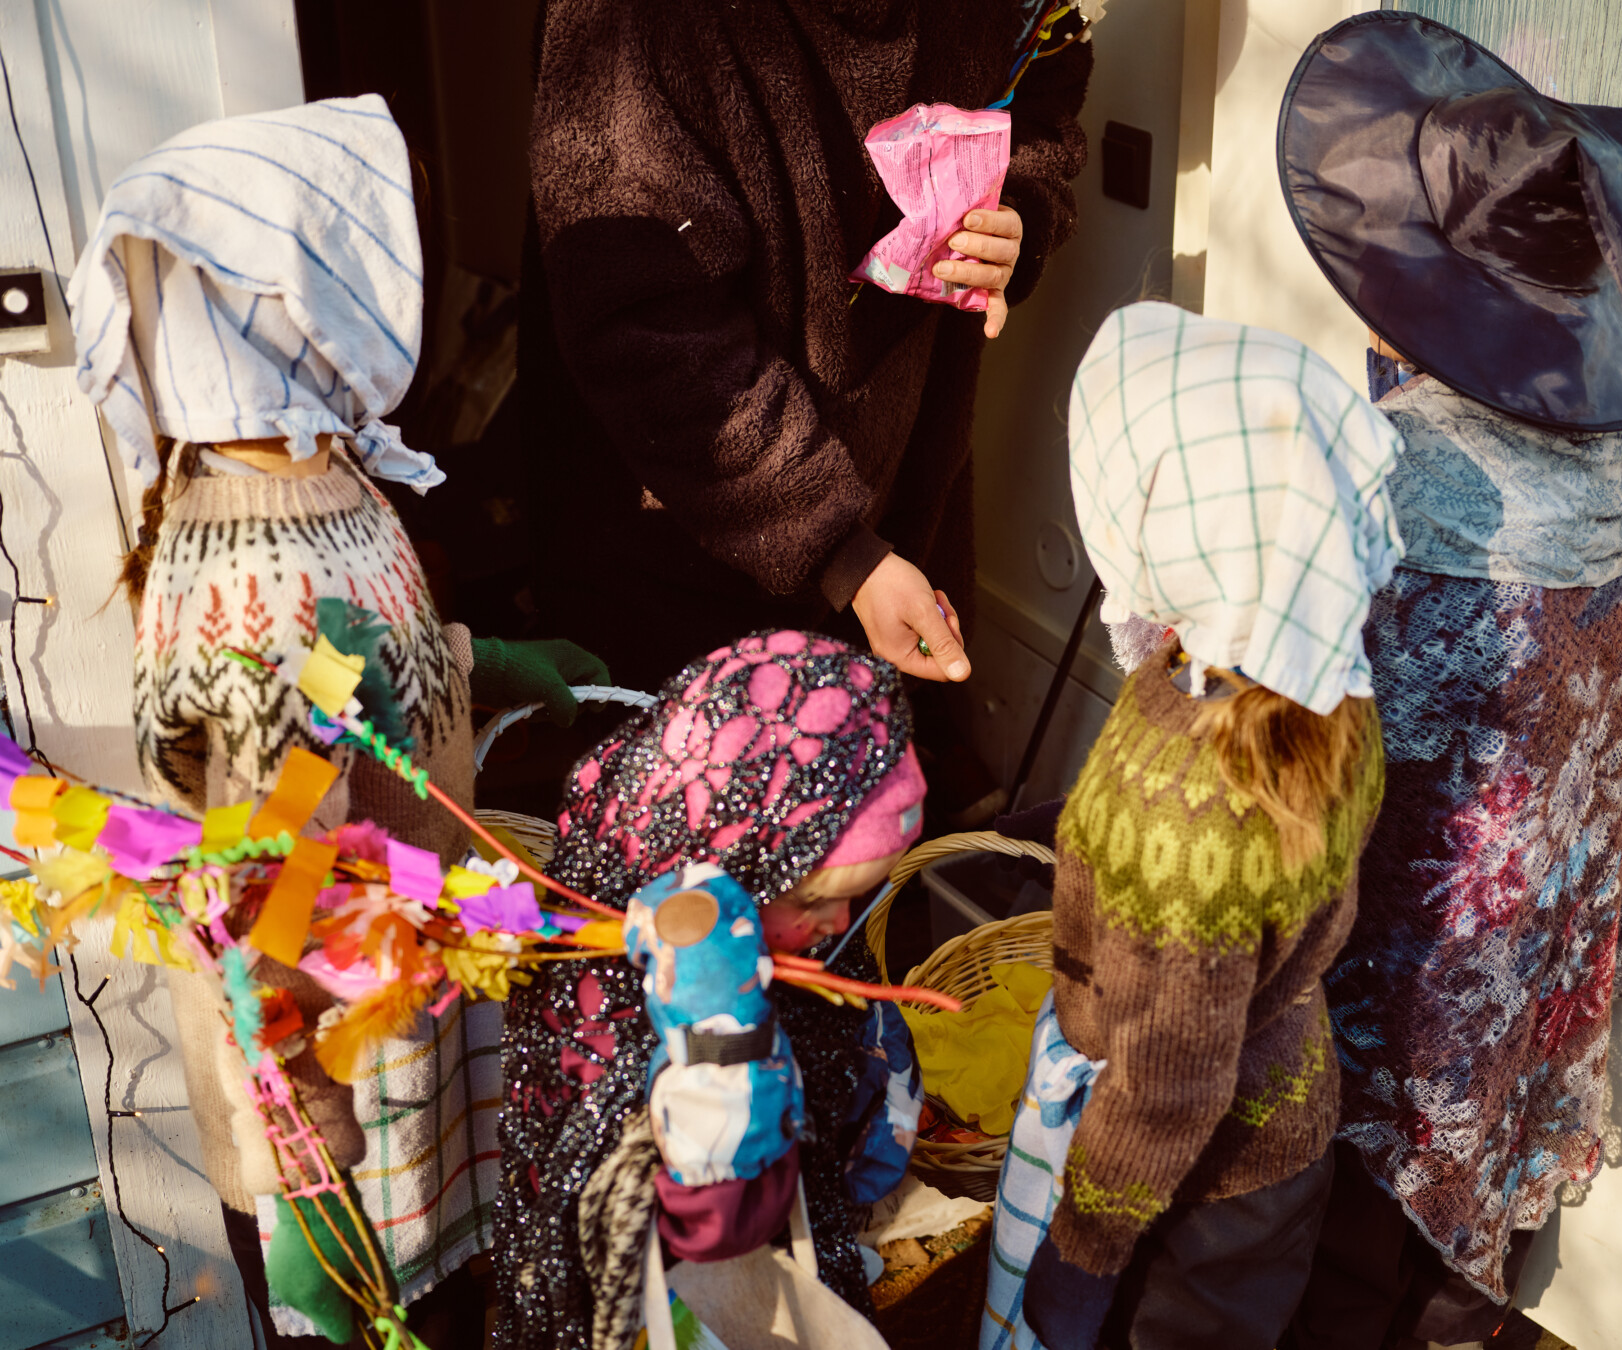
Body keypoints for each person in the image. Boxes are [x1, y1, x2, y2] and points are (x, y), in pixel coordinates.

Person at [68, 96, 604, 1346]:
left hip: (408, 984)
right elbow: (277, 895)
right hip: (334, 1081)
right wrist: (313, 1184)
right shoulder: (256, 573)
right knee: (391, 1316)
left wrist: (478, 664)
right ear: (297, 304)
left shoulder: (305, 478)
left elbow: (363, 677)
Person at [1273, 14, 1622, 1348]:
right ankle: (1463, 1295)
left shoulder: (1407, 483)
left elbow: (1321, 719)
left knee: (1367, 1159)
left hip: (1411, 959)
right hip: (1540, 929)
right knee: (1458, 1165)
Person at [986, 303, 1405, 1350]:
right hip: (1279, 1122)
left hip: (1195, 1176)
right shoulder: (1317, 691)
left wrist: (1080, 1257)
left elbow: (1172, 1087)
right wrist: (1092, 838)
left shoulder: (1199, 817)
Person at [518, 0, 1094, 692]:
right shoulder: (635, 22)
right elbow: (647, 327)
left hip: (898, 494)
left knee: (868, 775)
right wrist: (838, 547)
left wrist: (1017, 210)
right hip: (676, 531)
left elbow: (1045, 73)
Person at [495, 630, 929, 1349]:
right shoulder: (609, 998)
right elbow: (709, 1227)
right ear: (728, 862)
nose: (841, 922)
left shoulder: (782, 942)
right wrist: (727, 1067)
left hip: (778, 1274)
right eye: (816, 901)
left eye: (861, 892)